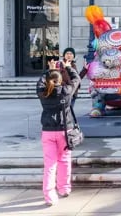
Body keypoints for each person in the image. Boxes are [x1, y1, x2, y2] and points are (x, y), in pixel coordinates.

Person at [36, 61, 81, 206]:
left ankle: (49, 196)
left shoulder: (43, 92)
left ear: (48, 80)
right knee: (64, 160)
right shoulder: (66, 91)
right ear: (60, 80)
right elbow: (76, 79)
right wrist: (67, 67)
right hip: (64, 131)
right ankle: (64, 188)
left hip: (48, 131)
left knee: (50, 165)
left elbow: (40, 83)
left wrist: (48, 71)